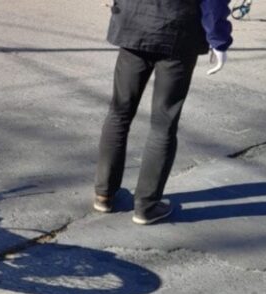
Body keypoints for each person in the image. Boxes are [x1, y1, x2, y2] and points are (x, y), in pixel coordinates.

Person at [93, 0, 233, 225]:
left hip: (134, 23)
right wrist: (219, 40)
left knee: (120, 112)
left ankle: (104, 193)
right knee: (163, 122)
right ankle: (146, 206)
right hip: (179, 32)